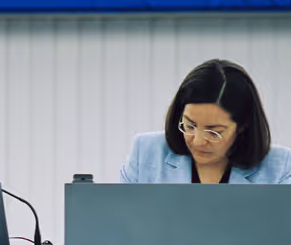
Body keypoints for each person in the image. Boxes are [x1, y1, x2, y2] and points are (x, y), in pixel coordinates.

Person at [119, 59, 291, 184]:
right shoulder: (146, 152)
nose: (198, 141)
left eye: (213, 131)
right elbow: (122, 222)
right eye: (190, 125)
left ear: (243, 126)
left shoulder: (280, 167)